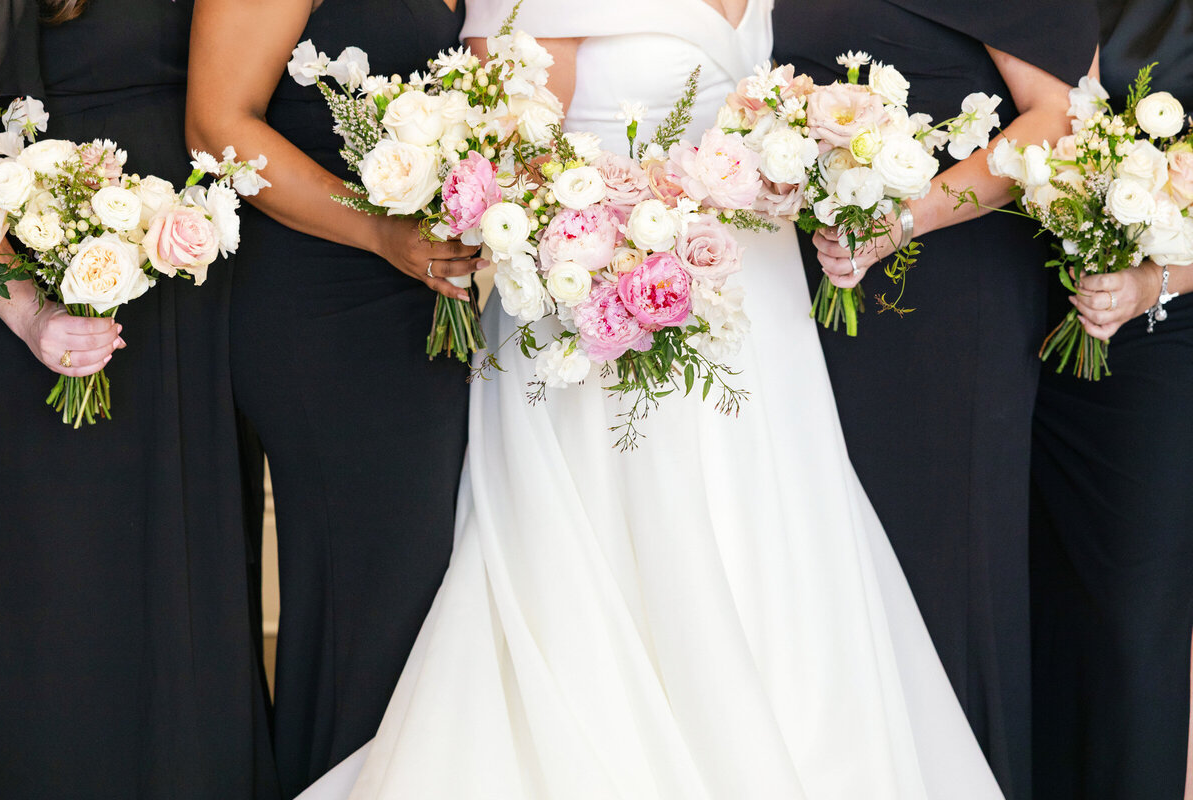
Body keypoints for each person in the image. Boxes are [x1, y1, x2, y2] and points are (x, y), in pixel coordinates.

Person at [295, 1, 1008, 797]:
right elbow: (509, 157)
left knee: (767, 537)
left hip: (759, 303)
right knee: (637, 543)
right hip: (602, 300)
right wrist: (625, 237)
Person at [772, 1, 1098, 796]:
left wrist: (902, 219)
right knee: (825, 570)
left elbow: (1057, 118)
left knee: (944, 575)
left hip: (947, 295)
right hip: (805, 284)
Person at [185, 0, 480, 795]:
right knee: (369, 611)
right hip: (322, 304)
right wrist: (378, 229)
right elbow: (216, 123)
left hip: (426, 298)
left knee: (423, 598)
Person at [0, 0, 278, 797]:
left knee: (194, 591)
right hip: (55, 292)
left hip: (201, 293)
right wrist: (31, 314)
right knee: (74, 599)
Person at [1030, 1, 1193, 796]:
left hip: (1153, 339)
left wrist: (1150, 281)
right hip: (1010, 330)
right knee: (1029, 611)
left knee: (1132, 620)